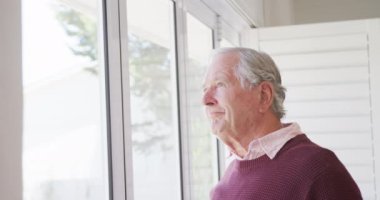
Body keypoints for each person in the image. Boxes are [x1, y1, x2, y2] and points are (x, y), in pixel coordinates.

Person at [202, 47, 362, 200]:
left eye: (220, 85)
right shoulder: (225, 183)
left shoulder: (318, 168)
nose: (206, 100)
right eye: (205, 89)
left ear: (264, 96)